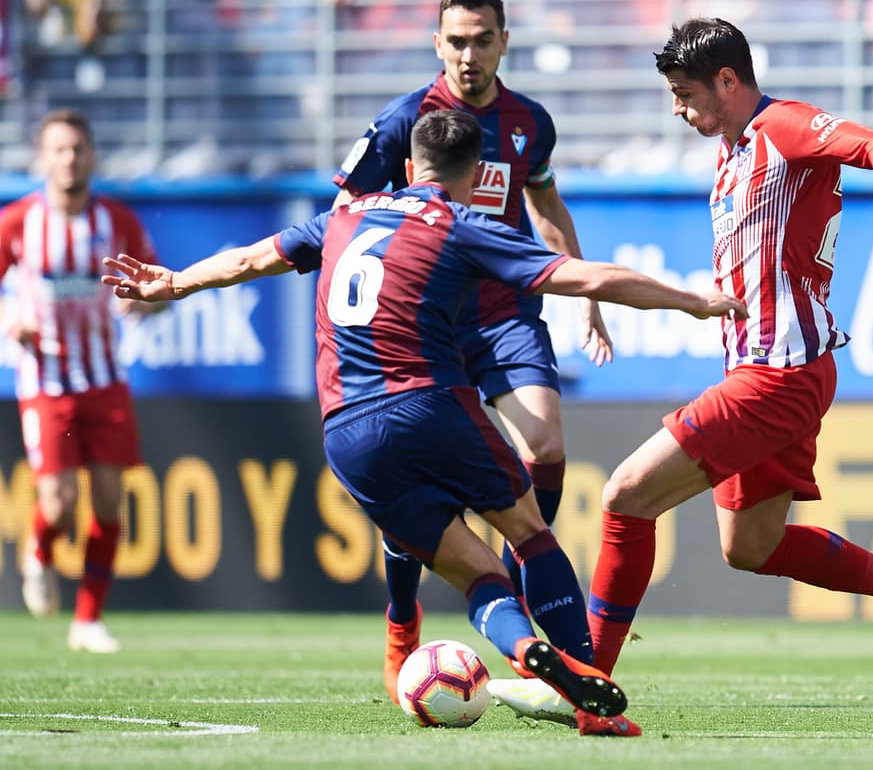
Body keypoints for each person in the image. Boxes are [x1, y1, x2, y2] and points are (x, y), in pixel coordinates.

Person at [103, 108, 745, 736]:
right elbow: (586, 278)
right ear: (477, 178)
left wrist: (174, 283)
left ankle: (523, 649)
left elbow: (246, 261)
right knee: (528, 535)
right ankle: (585, 688)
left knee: (479, 577)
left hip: (345, 431)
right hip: (427, 405)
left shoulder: (342, 217)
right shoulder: (462, 224)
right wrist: (690, 301)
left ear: (409, 168)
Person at [493, 19, 873, 723]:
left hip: (779, 374)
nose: (677, 110)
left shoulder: (784, 127)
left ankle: (583, 685)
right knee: (752, 546)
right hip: (778, 370)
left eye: (685, 95)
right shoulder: (732, 155)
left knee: (625, 496)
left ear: (727, 80)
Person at [332, 0, 615, 699]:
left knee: (545, 446)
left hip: (500, 313)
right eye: (456, 41)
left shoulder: (530, 123)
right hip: (423, 319)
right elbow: (343, 216)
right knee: (420, 487)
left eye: (482, 40)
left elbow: (545, 204)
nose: (468, 55)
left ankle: (520, 591)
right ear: (437, 44)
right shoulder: (404, 122)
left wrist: (587, 299)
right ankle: (403, 619)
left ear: (503, 43)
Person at [0, 109, 162, 653]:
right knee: (57, 500)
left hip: (104, 377)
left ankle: (88, 620)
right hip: (45, 377)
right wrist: (8, 319)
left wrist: (143, 305)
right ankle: (39, 550)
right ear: (42, 158)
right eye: (59, 149)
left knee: (108, 499)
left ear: (91, 155)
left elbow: (156, 286)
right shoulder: (17, 221)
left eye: (77, 148)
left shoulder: (117, 221)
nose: (69, 159)